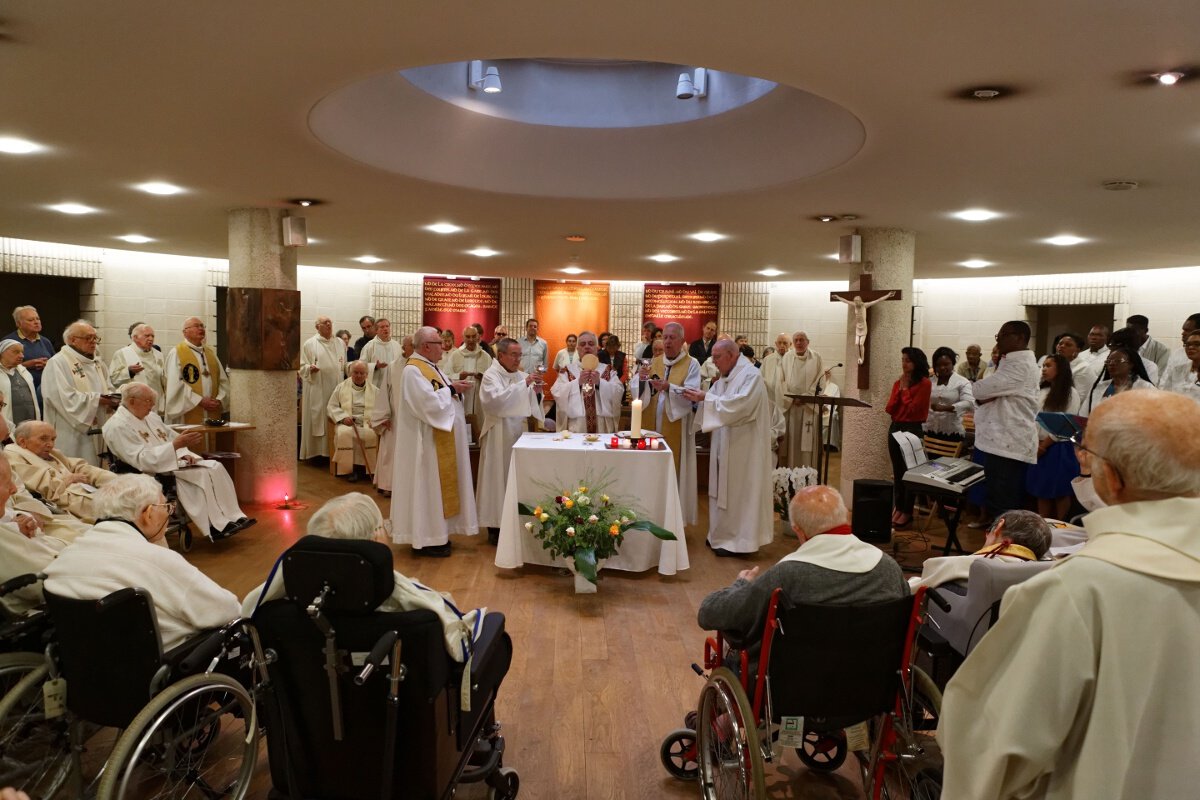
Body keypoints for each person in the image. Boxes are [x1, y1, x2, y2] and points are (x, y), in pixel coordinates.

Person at [939, 390, 1200, 800]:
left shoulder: (1074, 591)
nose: (1080, 457)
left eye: (1085, 449)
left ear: (1112, 478)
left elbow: (997, 749)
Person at [240, 493, 485, 661]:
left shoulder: (274, 610)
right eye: (383, 527)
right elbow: (460, 643)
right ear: (375, 541)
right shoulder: (418, 615)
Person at [43, 474, 241, 651]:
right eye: (166, 507)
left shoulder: (66, 557)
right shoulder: (157, 560)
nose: (169, 513)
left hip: (86, 661)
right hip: (158, 665)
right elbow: (225, 610)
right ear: (148, 513)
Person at [697, 485, 906, 652]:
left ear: (799, 531)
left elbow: (709, 613)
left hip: (793, 692)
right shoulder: (889, 568)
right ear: (846, 518)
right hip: (873, 687)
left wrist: (741, 585)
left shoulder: (786, 576)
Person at [103, 383, 255, 541]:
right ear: (132, 401)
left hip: (171, 462)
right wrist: (175, 447)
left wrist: (184, 453)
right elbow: (140, 458)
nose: (153, 405)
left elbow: (171, 437)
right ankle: (215, 525)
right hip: (150, 470)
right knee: (201, 475)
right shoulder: (117, 426)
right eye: (148, 401)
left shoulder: (151, 417)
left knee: (215, 466)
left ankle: (234, 516)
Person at [384, 326, 477, 557]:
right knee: (427, 489)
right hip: (425, 444)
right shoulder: (413, 371)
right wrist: (452, 389)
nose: (444, 348)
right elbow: (427, 405)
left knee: (435, 490)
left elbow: (441, 392)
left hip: (436, 441)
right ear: (426, 346)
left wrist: (455, 388)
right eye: (438, 343)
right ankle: (426, 538)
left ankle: (438, 534)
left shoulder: (430, 368)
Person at [685, 339, 774, 556]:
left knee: (739, 491)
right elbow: (716, 399)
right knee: (721, 490)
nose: (713, 362)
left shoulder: (751, 376)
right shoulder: (725, 377)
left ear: (732, 355)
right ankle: (720, 535)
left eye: (716, 357)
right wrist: (701, 397)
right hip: (724, 444)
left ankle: (740, 542)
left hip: (744, 448)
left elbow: (740, 406)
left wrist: (706, 398)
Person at [631, 322, 701, 525]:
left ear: (681, 341)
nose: (668, 341)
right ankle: (649, 513)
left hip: (677, 425)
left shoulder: (692, 364)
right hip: (651, 423)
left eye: (672, 338)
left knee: (675, 469)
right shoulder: (653, 361)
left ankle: (672, 520)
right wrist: (642, 381)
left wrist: (669, 387)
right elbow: (635, 387)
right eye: (666, 338)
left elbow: (692, 394)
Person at [476, 338, 544, 544]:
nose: (517, 359)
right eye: (514, 355)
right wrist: (524, 385)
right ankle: (494, 526)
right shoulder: (491, 375)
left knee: (515, 477)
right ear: (501, 355)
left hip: (518, 433)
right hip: (499, 434)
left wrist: (537, 393)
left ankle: (517, 522)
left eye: (519, 355)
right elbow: (495, 402)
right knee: (497, 478)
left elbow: (532, 403)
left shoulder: (521, 375)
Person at [972, 321, 1040, 524]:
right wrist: (987, 394)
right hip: (1000, 442)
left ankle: (1005, 550)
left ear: (1019, 338)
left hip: (1007, 443)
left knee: (1003, 505)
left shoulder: (1020, 365)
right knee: (997, 501)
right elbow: (984, 392)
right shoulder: (1009, 362)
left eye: (1003, 335)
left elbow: (978, 390)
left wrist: (986, 394)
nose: (998, 339)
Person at [908, 510, 1051, 591]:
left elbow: (912, 590)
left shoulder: (968, 565)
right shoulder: (1044, 574)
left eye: (988, 531)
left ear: (999, 526)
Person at [39, 320, 117, 465]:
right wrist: (96, 400)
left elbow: (109, 387)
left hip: (99, 423)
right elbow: (60, 397)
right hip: (71, 430)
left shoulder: (98, 363)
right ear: (72, 340)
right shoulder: (58, 362)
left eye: (95, 338)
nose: (93, 342)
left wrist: (114, 398)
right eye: (88, 338)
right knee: (77, 469)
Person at [0, 456, 68, 617]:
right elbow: (43, 585)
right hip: (45, 610)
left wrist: (18, 519)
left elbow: (10, 510)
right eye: (5, 483)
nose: (13, 489)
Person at [1025, 354, 1082, 519]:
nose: (1044, 369)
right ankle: (1043, 524)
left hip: (1058, 447)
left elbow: (1065, 424)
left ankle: (1060, 525)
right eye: (1043, 366)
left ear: (1061, 369)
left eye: (1048, 366)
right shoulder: (1042, 390)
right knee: (1041, 490)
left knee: (1059, 491)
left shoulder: (1071, 393)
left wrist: (1044, 446)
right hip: (1038, 445)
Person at [886, 347, 931, 528]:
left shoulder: (925, 383)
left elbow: (914, 410)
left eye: (908, 360)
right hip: (896, 427)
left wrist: (905, 391)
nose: (904, 364)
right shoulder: (899, 382)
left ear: (917, 362)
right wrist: (900, 390)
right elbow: (889, 408)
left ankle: (907, 511)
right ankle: (898, 507)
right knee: (897, 472)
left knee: (909, 473)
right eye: (903, 359)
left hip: (912, 429)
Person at [550, 331, 624, 433]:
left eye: (591, 344)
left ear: (597, 348)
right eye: (582, 344)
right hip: (576, 426)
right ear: (578, 349)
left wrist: (600, 383)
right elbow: (557, 392)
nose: (587, 347)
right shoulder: (568, 370)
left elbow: (619, 391)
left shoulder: (608, 370)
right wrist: (577, 383)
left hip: (602, 426)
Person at [297, 315, 347, 461]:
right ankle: (316, 454)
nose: (328, 324)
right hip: (317, 388)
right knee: (318, 418)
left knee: (333, 416)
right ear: (317, 327)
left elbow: (344, 365)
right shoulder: (310, 344)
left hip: (335, 388)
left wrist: (352, 367)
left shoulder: (339, 343)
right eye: (324, 323)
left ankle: (332, 452)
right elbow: (301, 366)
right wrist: (308, 368)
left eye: (330, 322)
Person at [165, 317, 228, 425]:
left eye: (202, 326)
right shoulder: (177, 353)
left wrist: (219, 400)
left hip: (212, 410)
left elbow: (223, 381)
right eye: (196, 326)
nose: (201, 329)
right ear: (185, 332)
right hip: (188, 411)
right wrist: (199, 401)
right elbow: (175, 384)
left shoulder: (210, 353)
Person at [327, 360, 379, 482]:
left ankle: (367, 469)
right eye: (356, 372)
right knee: (344, 434)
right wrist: (343, 418)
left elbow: (380, 409)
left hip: (367, 423)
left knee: (371, 434)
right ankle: (351, 470)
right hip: (347, 422)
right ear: (350, 373)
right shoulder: (341, 387)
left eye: (362, 373)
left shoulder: (375, 390)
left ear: (367, 374)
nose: (359, 376)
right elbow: (331, 406)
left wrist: (374, 420)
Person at [781, 330, 824, 469]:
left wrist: (806, 397)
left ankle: (808, 476)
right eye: (796, 340)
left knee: (807, 444)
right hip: (791, 406)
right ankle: (789, 477)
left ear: (808, 342)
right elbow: (781, 380)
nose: (799, 342)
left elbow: (820, 380)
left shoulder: (816, 357)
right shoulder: (787, 357)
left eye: (802, 340)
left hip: (808, 407)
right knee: (792, 442)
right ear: (793, 343)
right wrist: (791, 398)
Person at [107, 323, 167, 415]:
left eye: (152, 336)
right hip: (134, 405)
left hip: (156, 404)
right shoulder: (122, 354)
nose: (151, 339)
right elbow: (112, 379)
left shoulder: (158, 355)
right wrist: (129, 372)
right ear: (135, 337)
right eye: (147, 336)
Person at [1079, 345, 1155, 417]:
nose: (1111, 364)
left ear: (1131, 364)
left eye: (1118, 361)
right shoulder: (1098, 387)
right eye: (1108, 361)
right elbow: (1084, 415)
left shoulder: (1146, 388)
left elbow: (1155, 416)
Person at [4, 306, 55, 403]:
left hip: (46, 392)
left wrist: (48, 364)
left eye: (38, 319)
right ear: (19, 324)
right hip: (20, 394)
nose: (36, 322)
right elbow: (3, 369)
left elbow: (56, 364)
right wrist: (26, 365)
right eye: (31, 320)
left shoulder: (45, 341)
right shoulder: (9, 342)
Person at [924, 346, 974, 444]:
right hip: (929, 431)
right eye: (938, 365)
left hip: (952, 433)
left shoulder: (962, 382)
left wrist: (945, 408)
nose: (942, 368)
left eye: (946, 364)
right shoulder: (930, 381)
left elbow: (969, 403)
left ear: (953, 364)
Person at [833, 290, 896, 364]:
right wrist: (838, 297)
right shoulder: (854, 305)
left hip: (863, 327)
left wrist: (888, 295)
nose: (856, 302)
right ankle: (859, 357)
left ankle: (862, 358)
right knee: (856, 344)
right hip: (857, 327)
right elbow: (846, 301)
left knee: (861, 344)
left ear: (860, 300)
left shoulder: (865, 305)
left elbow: (878, 300)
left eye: (857, 301)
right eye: (855, 301)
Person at [456, 325, 494, 442]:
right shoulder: (455, 355)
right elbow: (446, 376)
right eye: (468, 337)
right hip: (462, 397)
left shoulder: (486, 356)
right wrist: (458, 376)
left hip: (479, 397)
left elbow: (494, 377)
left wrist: (483, 376)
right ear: (463, 337)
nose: (471, 340)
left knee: (480, 430)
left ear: (478, 337)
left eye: (473, 336)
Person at [0, 340, 40, 427]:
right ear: (2, 352)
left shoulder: (24, 372)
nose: (22, 356)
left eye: (22, 352)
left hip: (29, 422)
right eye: (16, 352)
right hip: (6, 424)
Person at [359, 317, 402, 388]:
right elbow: (361, 366)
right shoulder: (369, 346)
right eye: (382, 327)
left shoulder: (396, 345)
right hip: (376, 385)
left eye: (387, 326)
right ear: (376, 330)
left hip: (394, 384)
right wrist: (375, 366)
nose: (385, 329)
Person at [1126, 313, 1171, 379]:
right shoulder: (1126, 346)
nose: (1130, 334)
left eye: (1134, 330)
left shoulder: (1162, 350)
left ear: (1146, 330)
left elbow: (1160, 376)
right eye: (1128, 330)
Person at [1160, 329, 1200, 403]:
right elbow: (1166, 394)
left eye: (1197, 344)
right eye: (1187, 345)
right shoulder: (1177, 370)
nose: (1190, 347)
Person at [759, 333, 791, 417]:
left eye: (785, 343)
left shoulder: (794, 359)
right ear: (776, 344)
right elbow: (761, 378)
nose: (782, 345)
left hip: (790, 404)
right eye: (779, 343)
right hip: (771, 400)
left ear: (790, 344)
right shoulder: (768, 359)